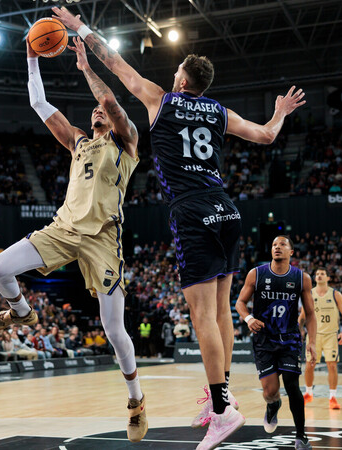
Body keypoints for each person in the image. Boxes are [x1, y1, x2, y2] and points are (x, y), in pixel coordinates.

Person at [52, 8, 305, 448]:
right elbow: (266, 135)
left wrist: (81, 29)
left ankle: (223, 412)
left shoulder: (161, 100)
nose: (172, 75)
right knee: (222, 311)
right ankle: (218, 394)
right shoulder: (219, 111)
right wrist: (280, 111)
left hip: (191, 209)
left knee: (202, 315)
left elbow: (115, 63)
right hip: (227, 210)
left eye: (176, 71)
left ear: (183, 81)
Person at [0, 37, 146, 442]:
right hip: (63, 229)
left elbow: (110, 103)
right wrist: (30, 58)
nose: (97, 111)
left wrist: (85, 67)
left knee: (114, 330)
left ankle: (136, 401)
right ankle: (21, 312)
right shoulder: (78, 141)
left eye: (101, 111)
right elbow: (39, 105)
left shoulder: (126, 143)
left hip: (103, 239)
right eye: (92, 109)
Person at [235, 236, 317, 450]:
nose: (277, 247)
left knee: (292, 385)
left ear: (291, 251)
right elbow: (240, 303)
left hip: (289, 339)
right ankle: (273, 405)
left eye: (282, 244)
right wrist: (249, 319)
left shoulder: (302, 278)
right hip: (264, 339)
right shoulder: (257, 274)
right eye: (273, 245)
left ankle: (301, 436)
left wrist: (312, 342)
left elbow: (310, 313)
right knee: (270, 391)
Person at [299, 267, 342, 409]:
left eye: (322, 274)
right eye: (317, 274)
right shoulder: (309, 294)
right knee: (309, 365)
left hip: (331, 335)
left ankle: (332, 397)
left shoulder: (335, 294)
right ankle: (308, 393)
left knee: (332, 365)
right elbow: (302, 316)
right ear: (315, 278)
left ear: (328, 278)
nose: (319, 276)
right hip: (313, 336)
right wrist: (298, 331)